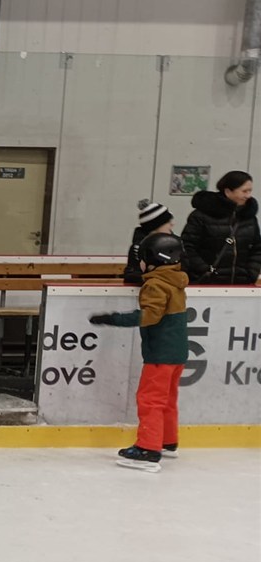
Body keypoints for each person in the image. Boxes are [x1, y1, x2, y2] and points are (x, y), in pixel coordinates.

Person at [89, 232, 188, 473]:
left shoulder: (155, 284)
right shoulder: (176, 281)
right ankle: (167, 441)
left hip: (160, 354)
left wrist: (113, 319)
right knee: (167, 399)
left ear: (153, 259)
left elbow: (149, 316)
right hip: (177, 353)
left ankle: (148, 449)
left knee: (150, 400)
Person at [182, 170, 261, 285]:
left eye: (250, 191)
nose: (248, 196)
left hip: (241, 283)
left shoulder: (249, 218)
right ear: (228, 191)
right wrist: (204, 269)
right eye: (244, 191)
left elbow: (257, 248)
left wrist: (251, 272)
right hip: (205, 283)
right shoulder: (201, 215)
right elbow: (187, 247)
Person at [123, 200, 174, 286]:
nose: (172, 224)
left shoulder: (174, 244)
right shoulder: (138, 248)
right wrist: (151, 273)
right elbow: (130, 275)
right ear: (156, 226)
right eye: (168, 222)